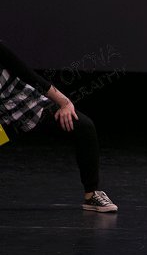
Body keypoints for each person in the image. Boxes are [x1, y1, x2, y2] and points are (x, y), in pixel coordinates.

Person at [0, 41, 117, 212]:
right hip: (5, 124)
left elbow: (28, 75)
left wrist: (65, 102)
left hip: (31, 108)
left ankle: (91, 195)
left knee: (84, 127)